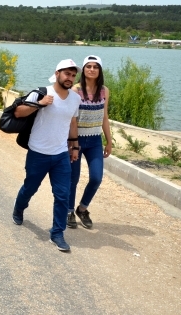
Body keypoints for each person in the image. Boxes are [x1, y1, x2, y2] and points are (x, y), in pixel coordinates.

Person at [12, 59, 81, 252]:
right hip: (38, 153)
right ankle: (19, 207)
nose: (70, 78)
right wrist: (40, 104)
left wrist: (74, 147)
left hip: (60, 155)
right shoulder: (41, 92)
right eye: (67, 74)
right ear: (57, 73)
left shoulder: (75, 99)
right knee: (30, 187)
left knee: (62, 195)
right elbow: (18, 112)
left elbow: (73, 123)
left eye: (73, 75)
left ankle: (57, 233)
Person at [68, 55, 113, 230]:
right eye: (88, 66)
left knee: (96, 177)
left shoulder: (105, 91)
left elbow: (105, 117)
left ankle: (82, 208)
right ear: (84, 69)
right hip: (76, 139)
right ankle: (69, 211)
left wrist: (109, 141)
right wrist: (73, 143)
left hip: (95, 140)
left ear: (100, 70)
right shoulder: (75, 90)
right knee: (73, 178)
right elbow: (71, 119)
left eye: (95, 67)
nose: (92, 69)